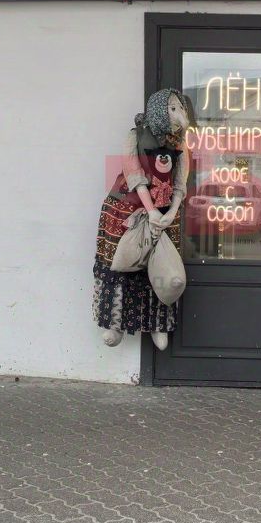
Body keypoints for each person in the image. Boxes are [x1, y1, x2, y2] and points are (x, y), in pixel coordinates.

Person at [92, 89, 193, 349]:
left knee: (160, 266)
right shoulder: (135, 136)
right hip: (127, 209)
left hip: (165, 211)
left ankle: (158, 325)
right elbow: (134, 175)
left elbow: (180, 182)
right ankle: (115, 323)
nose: (179, 114)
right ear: (159, 110)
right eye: (172, 108)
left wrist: (171, 212)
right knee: (123, 263)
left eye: (180, 108)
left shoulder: (180, 142)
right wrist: (151, 211)